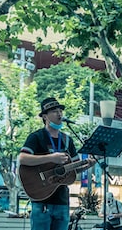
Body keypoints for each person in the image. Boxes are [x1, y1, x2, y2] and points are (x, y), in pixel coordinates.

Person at [19, 97, 96, 230]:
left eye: (60, 110)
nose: (59, 114)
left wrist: (87, 165)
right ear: (45, 116)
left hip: (62, 201)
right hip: (41, 199)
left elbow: (73, 169)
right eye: (54, 111)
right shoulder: (37, 137)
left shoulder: (67, 140)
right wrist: (51, 158)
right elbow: (22, 158)